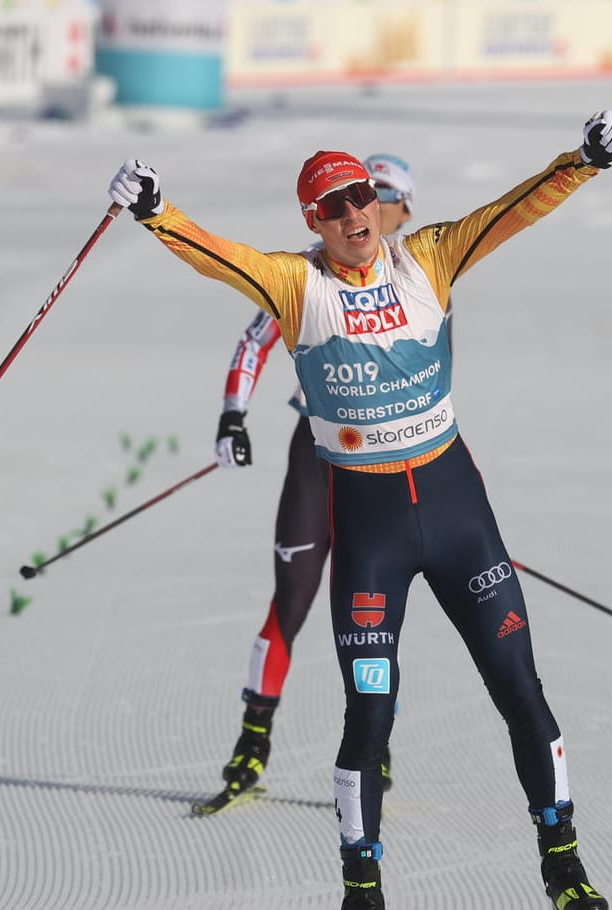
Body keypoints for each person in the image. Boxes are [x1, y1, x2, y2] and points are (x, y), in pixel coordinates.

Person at [107, 109, 612, 910]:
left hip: (459, 514)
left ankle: (566, 869)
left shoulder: (427, 257)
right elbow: (215, 253)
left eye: (361, 197)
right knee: (371, 717)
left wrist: (584, 160)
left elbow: (514, 210)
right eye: (334, 206)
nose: (355, 216)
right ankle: (362, 900)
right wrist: (156, 212)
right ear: (312, 222)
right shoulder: (296, 286)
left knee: (522, 692)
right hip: (371, 530)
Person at [208, 154, 418, 809]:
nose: (368, 209)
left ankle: (373, 745)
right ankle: (252, 742)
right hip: (315, 453)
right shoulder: (306, 274)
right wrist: (233, 414)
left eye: (382, 197)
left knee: (370, 620)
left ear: (405, 210)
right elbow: (254, 340)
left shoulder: (418, 275)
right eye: (354, 198)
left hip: (386, 466)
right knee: (292, 601)